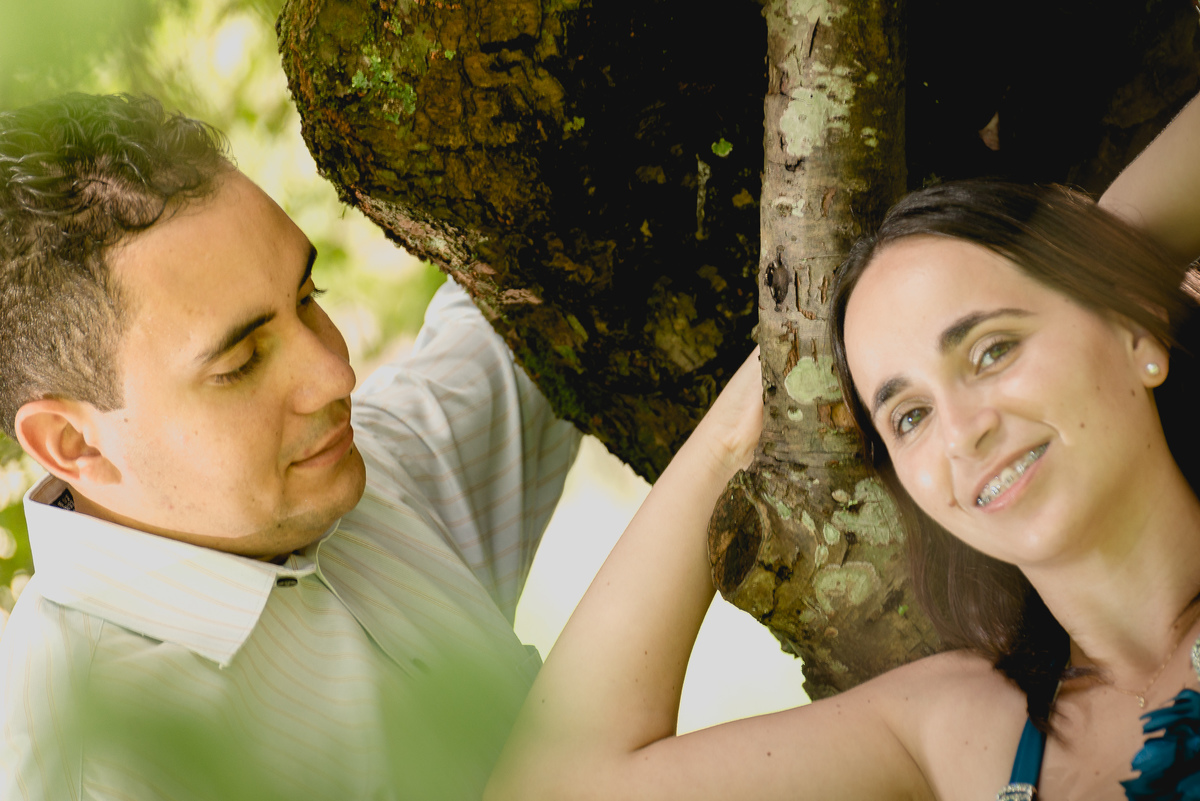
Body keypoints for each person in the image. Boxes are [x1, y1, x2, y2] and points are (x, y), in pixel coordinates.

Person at [484, 97, 1200, 801]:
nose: (962, 432)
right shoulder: (960, 734)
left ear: (1136, 329)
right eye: (910, 415)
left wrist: (1110, 261)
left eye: (993, 350)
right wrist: (753, 408)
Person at [0, 93, 579, 800]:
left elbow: (535, 279)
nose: (336, 374)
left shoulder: (370, 474)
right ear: (73, 444)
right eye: (242, 363)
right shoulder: (100, 771)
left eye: (308, 295)